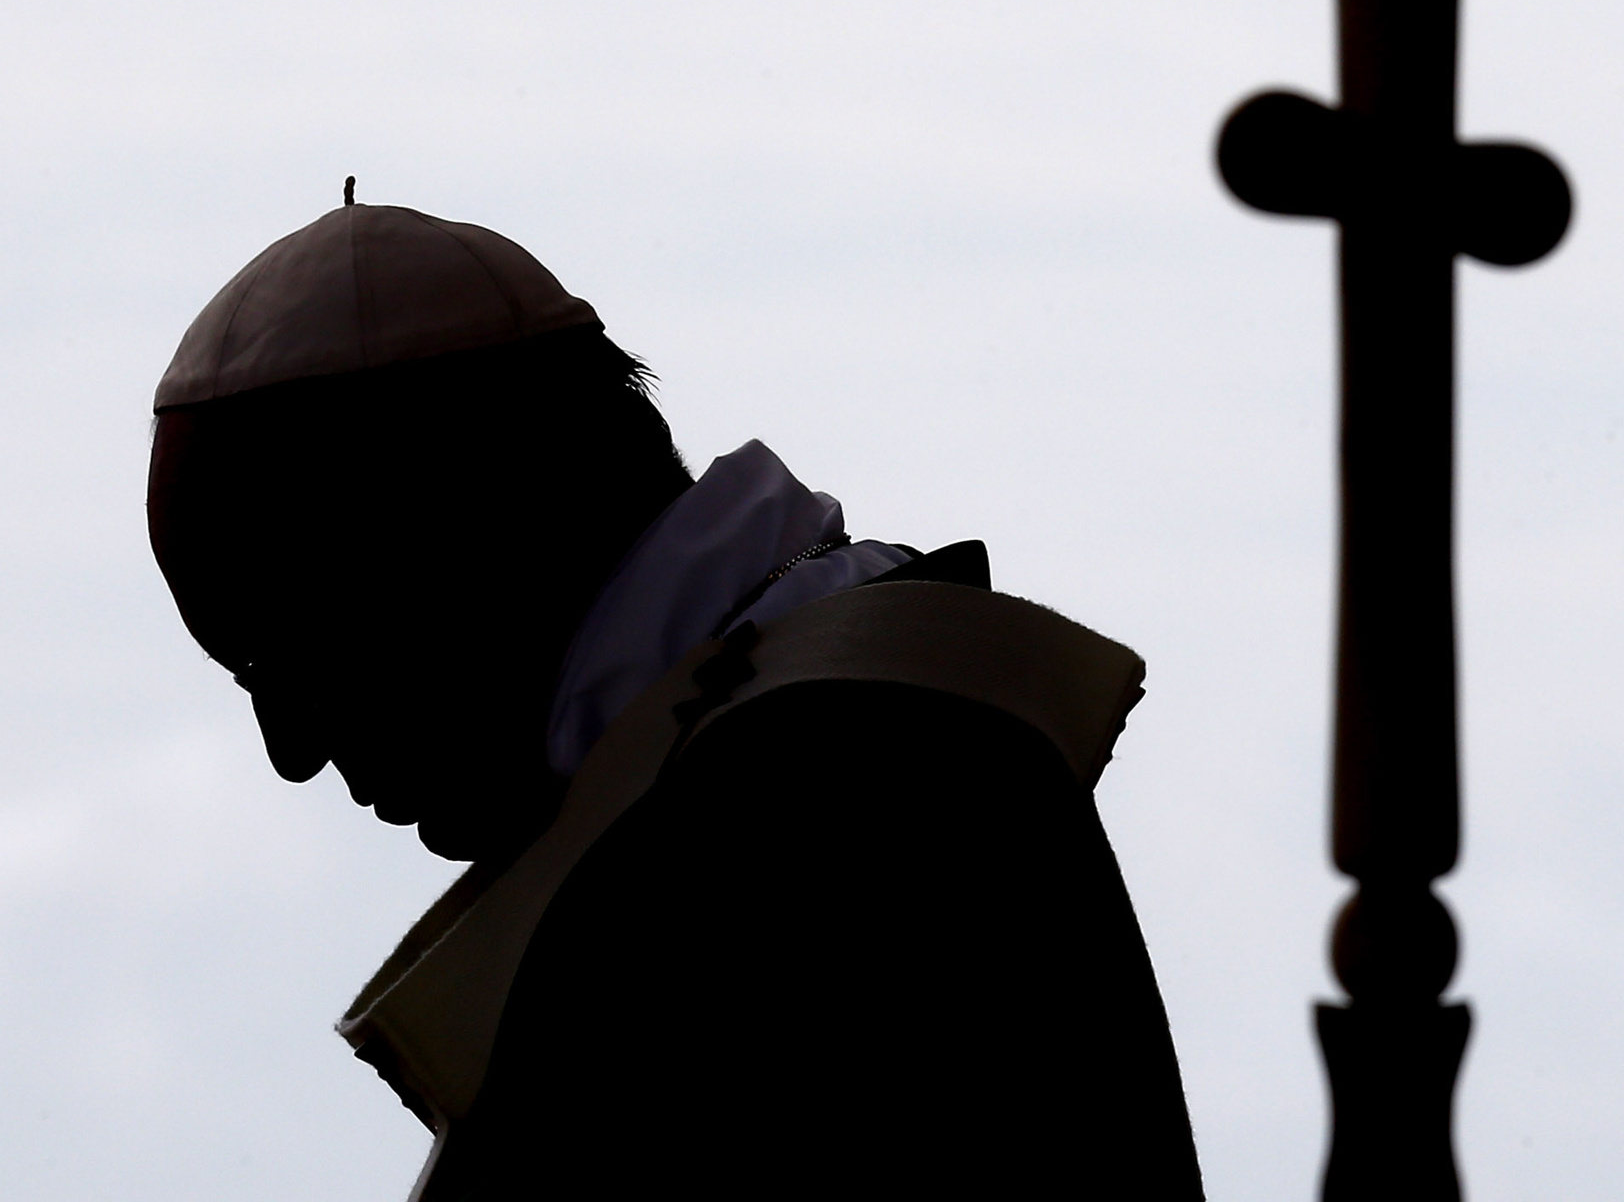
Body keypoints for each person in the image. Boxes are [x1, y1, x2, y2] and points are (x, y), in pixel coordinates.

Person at [146, 194, 1203, 1199]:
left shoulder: (812, 803)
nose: (291, 750)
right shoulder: (807, 747)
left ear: (460, 536)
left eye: (285, 663)